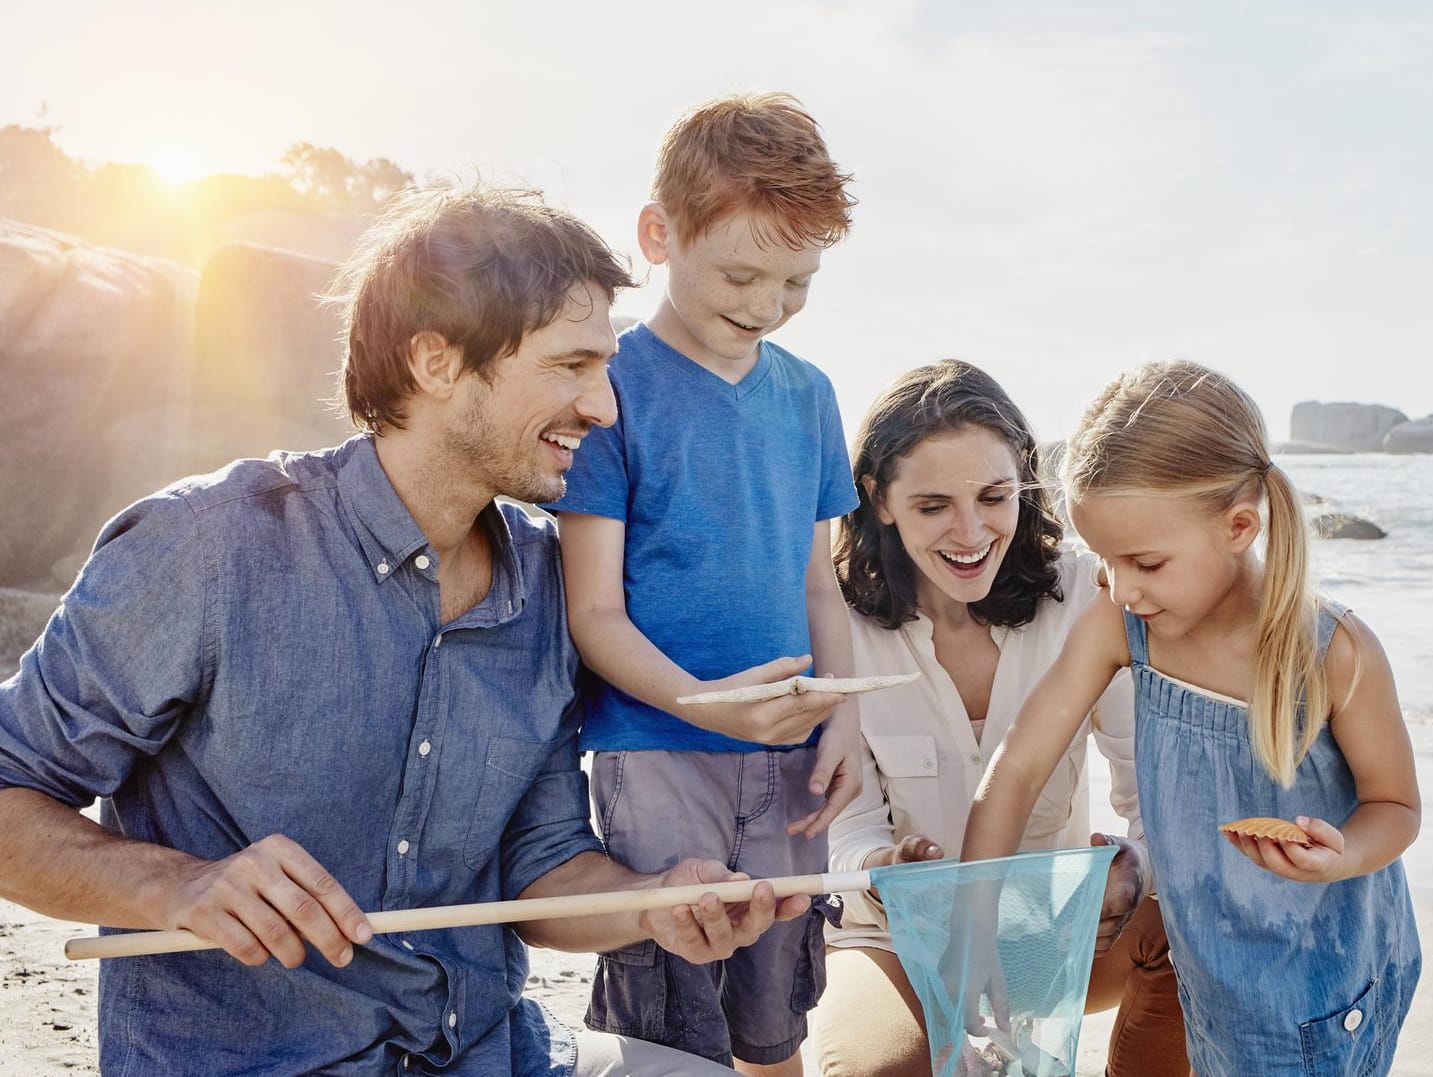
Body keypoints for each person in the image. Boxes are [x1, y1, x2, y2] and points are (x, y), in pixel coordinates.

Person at [0, 186, 807, 1076]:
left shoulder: (547, 589)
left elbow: (540, 873)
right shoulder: (206, 547)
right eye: (570, 365)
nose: (604, 406)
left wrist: (652, 903)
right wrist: (179, 884)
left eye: (604, 368)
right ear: (435, 361)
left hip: (493, 1054)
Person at [960, 361, 1422, 1076]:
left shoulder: (1334, 653)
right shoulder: (1122, 624)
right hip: (1210, 972)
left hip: (1321, 984)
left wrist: (1346, 853)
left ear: (1239, 527)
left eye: (1145, 561)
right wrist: (978, 911)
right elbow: (1018, 764)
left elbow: (1396, 804)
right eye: (1107, 560)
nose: (1120, 585)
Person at [546, 94, 861, 1075]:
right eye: (741, 274)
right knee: (670, 1026)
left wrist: (845, 717)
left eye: (798, 283)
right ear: (658, 235)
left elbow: (822, 582)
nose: (766, 306)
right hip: (656, 755)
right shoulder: (612, 389)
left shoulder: (808, 397)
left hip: (791, 765)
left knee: (775, 1013)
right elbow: (592, 612)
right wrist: (705, 707)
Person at [812, 360, 1188, 1076]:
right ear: (878, 499)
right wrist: (888, 871)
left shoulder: (1087, 595)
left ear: (1024, 478)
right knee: (879, 1070)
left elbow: (1154, 796)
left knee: (1195, 930)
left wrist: (1133, 869)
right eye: (932, 505)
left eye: (994, 495)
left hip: (1048, 929)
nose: (971, 531)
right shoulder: (839, 621)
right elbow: (847, 834)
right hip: (896, 940)